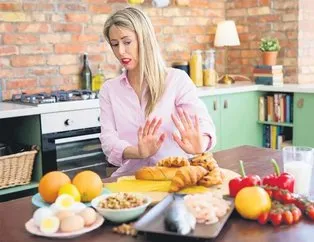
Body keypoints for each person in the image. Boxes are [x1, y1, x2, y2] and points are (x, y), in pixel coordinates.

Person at [99, 7, 216, 177]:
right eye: (115, 44)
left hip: (175, 176)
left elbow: (203, 124)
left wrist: (201, 144)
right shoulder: (109, 90)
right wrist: (138, 152)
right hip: (132, 177)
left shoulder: (176, 80)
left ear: (144, 40)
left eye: (127, 42)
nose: (120, 52)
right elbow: (108, 141)